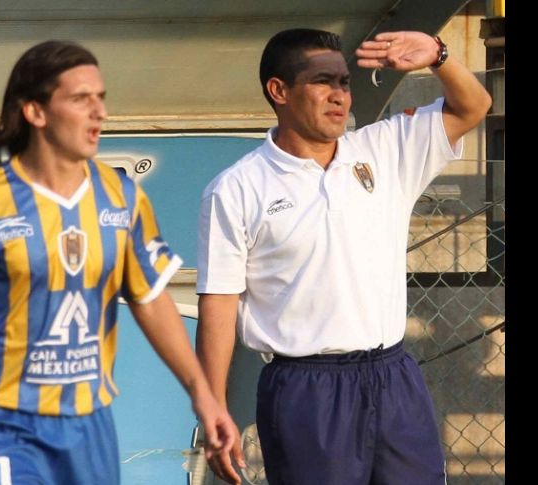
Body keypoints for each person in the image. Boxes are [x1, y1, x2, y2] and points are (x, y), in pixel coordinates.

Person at [0, 39, 239, 485]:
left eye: (101, 98)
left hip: (86, 420)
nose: (98, 111)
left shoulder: (120, 197)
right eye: (81, 99)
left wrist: (203, 394)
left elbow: (150, 299)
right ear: (36, 112)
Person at [196, 29, 491, 485]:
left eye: (345, 82)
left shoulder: (384, 149)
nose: (339, 96)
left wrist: (439, 55)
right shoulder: (237, 188)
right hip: (306, 390)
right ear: (279, 91)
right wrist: (213, 404)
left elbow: (473, 106)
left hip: (394, 377)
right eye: (322, 82)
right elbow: (218, 302)